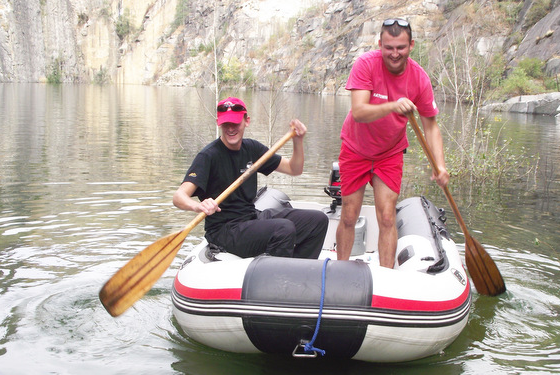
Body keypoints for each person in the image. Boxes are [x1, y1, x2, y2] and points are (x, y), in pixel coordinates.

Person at [335, 18, 450, 268]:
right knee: (349, 215)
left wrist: (439, 165)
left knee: (387, 216)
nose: (394, 53)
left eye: (400, 47)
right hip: (355, 149)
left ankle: (386, 280)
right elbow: (358, 112)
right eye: (389, 47)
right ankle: (339, 270)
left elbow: (431, 126)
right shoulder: (366, 64)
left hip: (390, 153)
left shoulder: (419, 78)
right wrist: (393, 105)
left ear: (411, 46)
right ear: (380, 44)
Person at [173, 97, 328, 259]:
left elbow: (294, 169)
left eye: (235, 123)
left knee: (317, 221)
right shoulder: (208, 156)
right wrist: (199, 206)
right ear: (219, 123)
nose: (231, 129)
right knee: (284, 229)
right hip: (224, 230)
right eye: (226, 124)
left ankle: (298, 272)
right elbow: (178, 197)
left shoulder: (252, 149)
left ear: (247, 121)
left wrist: (298, 141)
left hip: (250, 217)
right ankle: (278, 280)